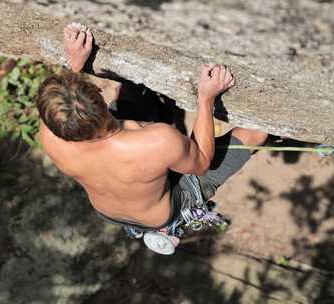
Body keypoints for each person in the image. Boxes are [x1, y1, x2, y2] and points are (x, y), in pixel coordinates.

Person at [36, 24, 268, 251]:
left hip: (111, 211)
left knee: (133, 95)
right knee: (256, 133)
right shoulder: (157, 141)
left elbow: (63, 108)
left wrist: (73, 64)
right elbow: (202, 162)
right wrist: (206, 99)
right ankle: (169, 226)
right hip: (164, 211)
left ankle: (157, 109)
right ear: (98, 93)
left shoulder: (50, 137)